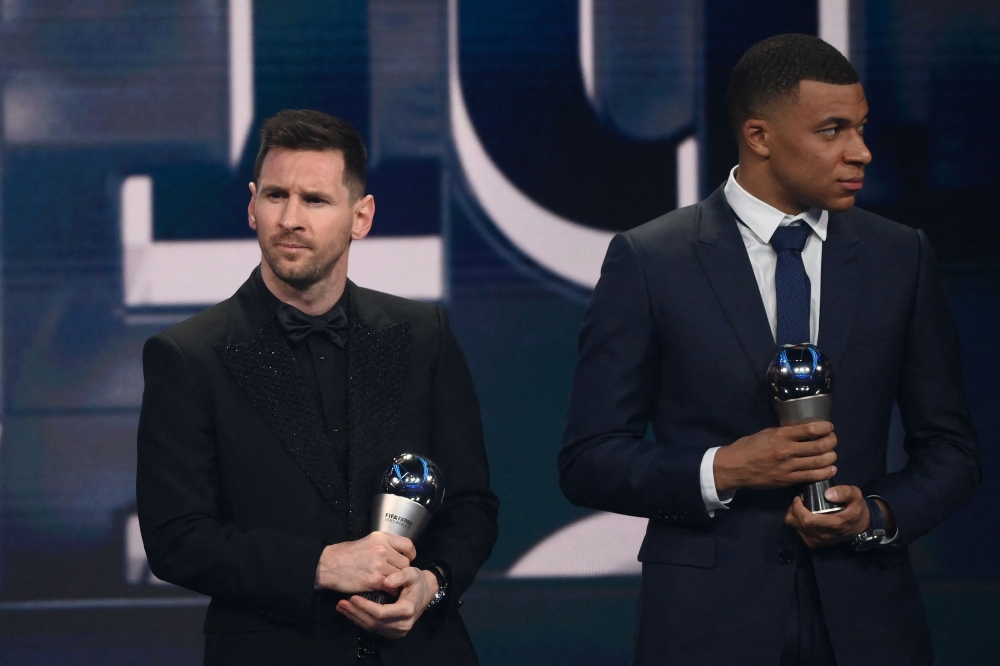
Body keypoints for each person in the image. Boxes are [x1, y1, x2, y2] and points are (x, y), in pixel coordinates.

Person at [558, 34, 980, 665]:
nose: (860, 152)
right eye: (832, 130)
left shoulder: (901, 257)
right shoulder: (651, 261)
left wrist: (877, 512)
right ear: (759, 136)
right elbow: (588, 459)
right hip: (707, 626)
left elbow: (951, 449)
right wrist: (722, 469)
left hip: (867, 622)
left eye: (862, 128)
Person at [137, 109, 498, 665]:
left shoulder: (425, 336)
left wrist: (433, 584)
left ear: (362, 216)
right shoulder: (188, 356)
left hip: (421, 651)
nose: (291, 219)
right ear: (252, 205)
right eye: (277, 196)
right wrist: (322, 565)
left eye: (316, 200)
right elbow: (176, 539)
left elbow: (470, 503)